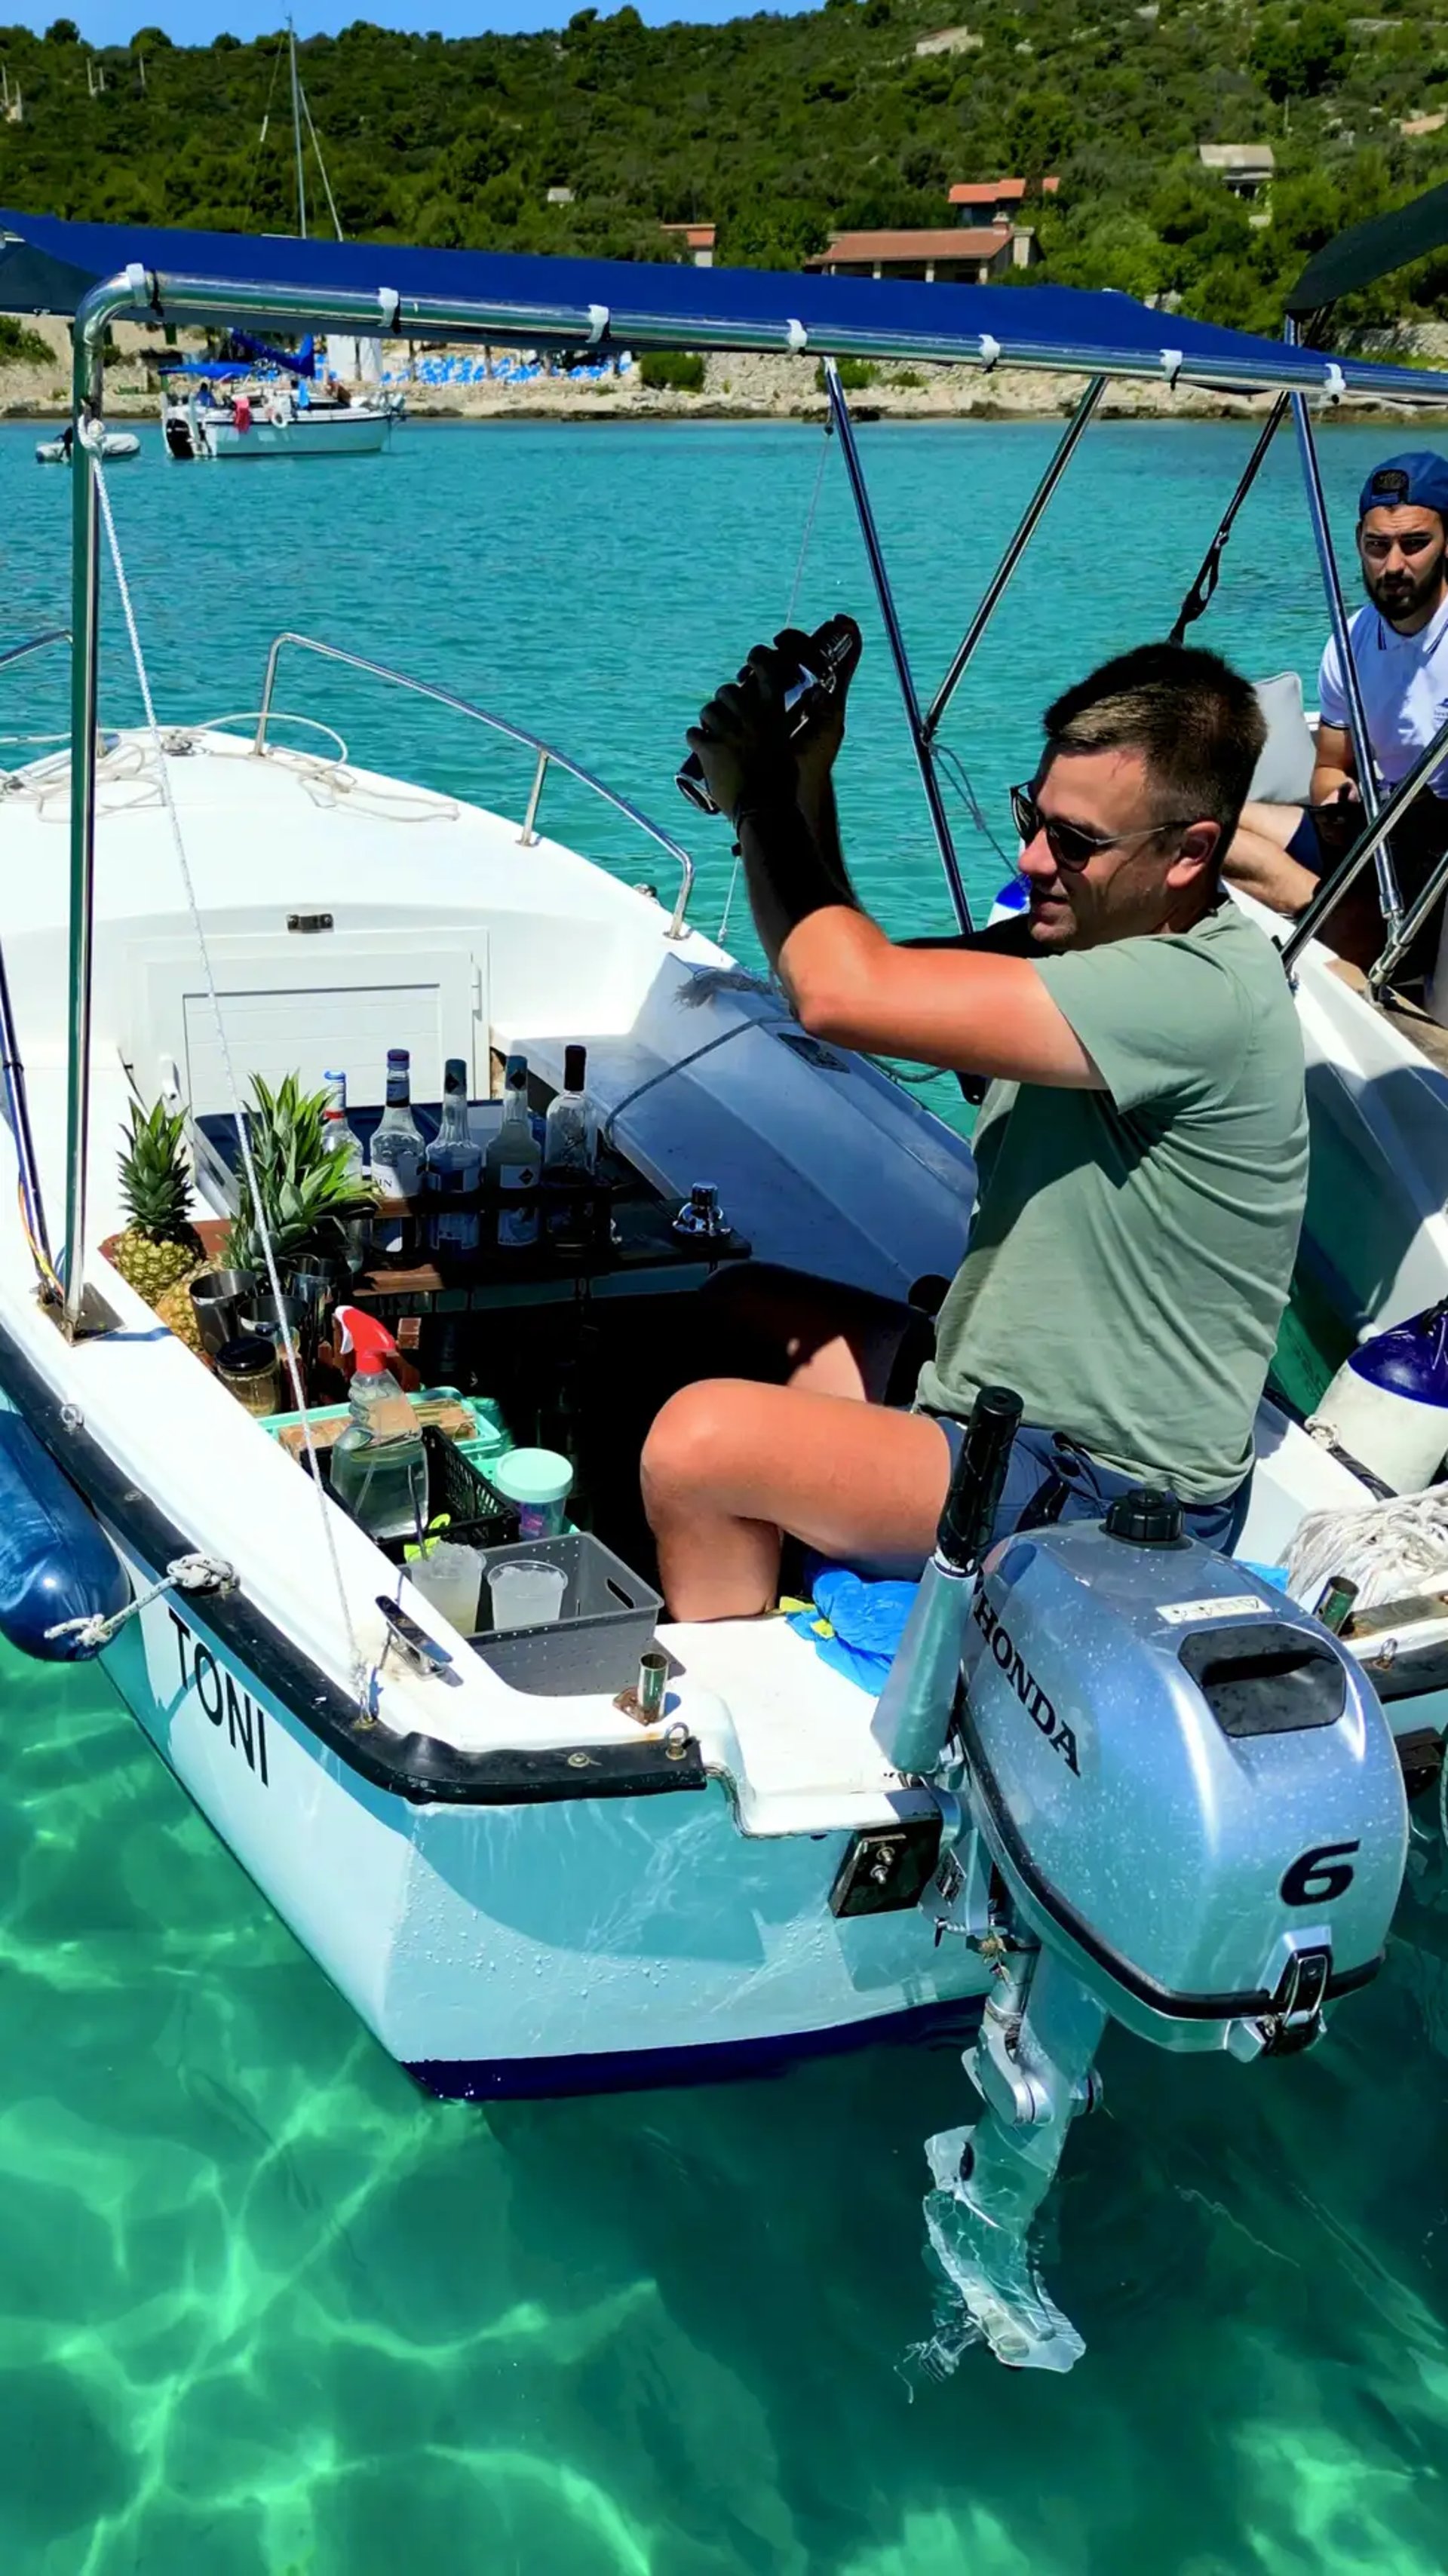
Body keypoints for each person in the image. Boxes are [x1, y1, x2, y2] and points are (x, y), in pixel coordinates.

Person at [641, 632, 1308, 1621]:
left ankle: (735, 1721)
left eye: (1075, 844)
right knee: (735, 1304)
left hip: (1101, 1487)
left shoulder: (1194, 992)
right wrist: (810, 775)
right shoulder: (1092, 936)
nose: (1035, 859)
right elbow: (868, 972)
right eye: (1034, 819)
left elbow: (837, 992)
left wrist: (761, 797)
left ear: (1191, 854)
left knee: (698, 1448)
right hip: (1000, 1393)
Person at [1227, 450, 1448, 979]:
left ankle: (1332, 917)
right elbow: (1330, 765)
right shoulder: (1348, 644)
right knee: (1207, 822)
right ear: (1358, 545)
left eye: (1415, 544)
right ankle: (1319, 907)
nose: (1394, 565)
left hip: (1433, 846)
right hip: (1372, 825)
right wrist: (1332, 798)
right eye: (1378, 546)